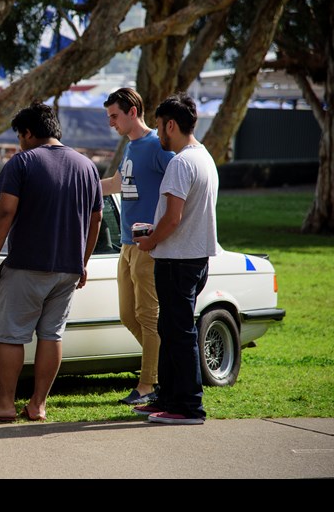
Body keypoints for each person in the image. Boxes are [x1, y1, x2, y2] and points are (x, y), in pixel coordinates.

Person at [0, 101, 102, 423]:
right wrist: (82, 261)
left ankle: (4, 403)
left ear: (28, 133)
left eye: (19, 135)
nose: (19, 142)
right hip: (68, 268)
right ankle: (38, 405)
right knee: (51, 335)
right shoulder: (87, 166)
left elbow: (5, 211)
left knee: (10, 334)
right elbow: (95, 219)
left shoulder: (22, 162)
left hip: (27, 264)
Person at [133, 92, 219, 425]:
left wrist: (150, 242)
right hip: (195, 258)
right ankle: (167, 399)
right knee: (169, 329)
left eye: (159, 127)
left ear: (171, 124)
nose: (157, 134)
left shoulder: (181, 163)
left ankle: (189, 407)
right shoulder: (204, 158)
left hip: (177, 261)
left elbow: (173, 218)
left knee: (179, 332)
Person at [100, 88, 175, 406]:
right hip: (126, 246)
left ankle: (148, 384)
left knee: (147, 317)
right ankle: (164, 368)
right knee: (127, 315)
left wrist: (159, 233)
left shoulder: (157, 147)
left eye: (114, 116)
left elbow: (181, 186)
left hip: (148, 246)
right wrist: (75, 185)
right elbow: (117, 183)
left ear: (133, 111)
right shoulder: (130, 148)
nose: (111, 123)